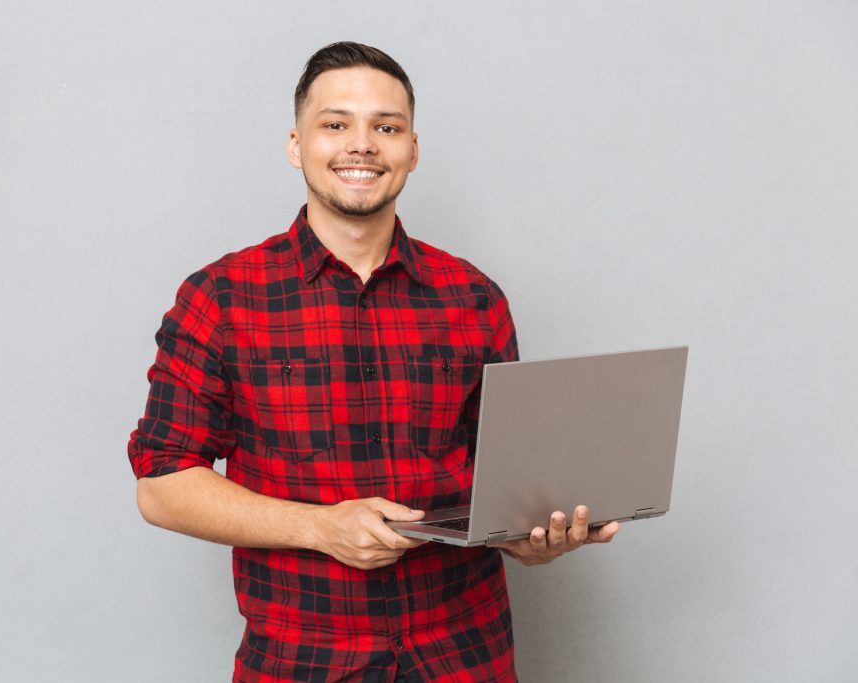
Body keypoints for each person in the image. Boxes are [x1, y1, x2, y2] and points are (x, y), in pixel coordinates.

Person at [128, 41, 619, 683]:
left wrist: (534, 538)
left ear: (411, 150)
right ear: (296, 145)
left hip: (465, 658)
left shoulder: (475, 298)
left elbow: (500, 490)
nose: (362, 145)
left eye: (385, 127)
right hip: (301, 661)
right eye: (335, 125)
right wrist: (319, 528)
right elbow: (161, 483)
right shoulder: (220, 298)